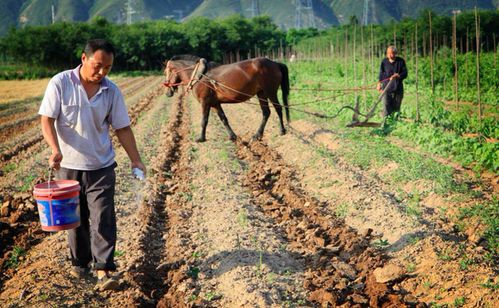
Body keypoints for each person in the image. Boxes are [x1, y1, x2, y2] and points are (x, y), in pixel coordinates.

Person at [39, 39, 146, 291]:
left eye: (108, 68)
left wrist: (135, 158)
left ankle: (104, 268)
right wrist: (55, 150)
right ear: (84, 59)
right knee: (76, 219)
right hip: (69, 166)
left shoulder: (111, 91)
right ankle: (80, 264)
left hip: (101, 165)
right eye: (98, 66)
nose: (102, 72)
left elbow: (122, 128)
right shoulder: (61, 82)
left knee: (103, 217)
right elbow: (46, 120)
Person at [377, 46, 408, 117]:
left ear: (396, 53)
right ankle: (385, 124)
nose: (390, 55)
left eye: (392, 53)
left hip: (397, 88)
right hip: (386, 88)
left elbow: (405, 73)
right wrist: (379, 84)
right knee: (386, 106)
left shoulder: (401, 61)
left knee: (396, 109)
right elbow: (381, 73)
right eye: (389, 53)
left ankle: (395, 124)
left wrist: (398, 75)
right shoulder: (384, 62)